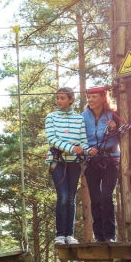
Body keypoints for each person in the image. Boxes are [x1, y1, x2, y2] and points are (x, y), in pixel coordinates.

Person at [45, 87, 90, 245]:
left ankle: (69, 235)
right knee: (63, 196)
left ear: (71, 100)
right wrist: (71, 147)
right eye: (57, 98)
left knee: (71, 198)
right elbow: (52, 139)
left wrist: (86, 149)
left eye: (62, 98)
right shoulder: (51, 117)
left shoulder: (79, 119)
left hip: (74, 162)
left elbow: (83, 141)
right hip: (57, 161)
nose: (58, 101)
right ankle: (60, 235)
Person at [83, 86, 121, 242]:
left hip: (110, 159)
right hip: (91, 160)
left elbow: (124, 133)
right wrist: (87, 149)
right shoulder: (83, 117)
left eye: (94, 97)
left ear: (103, 98)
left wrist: (115, 127)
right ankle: (99, 236)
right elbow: (79, 137)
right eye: (89, 98)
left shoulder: (114, 115)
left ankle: (110, 235)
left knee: (106, 196)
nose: (91, 100)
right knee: (96, 198)